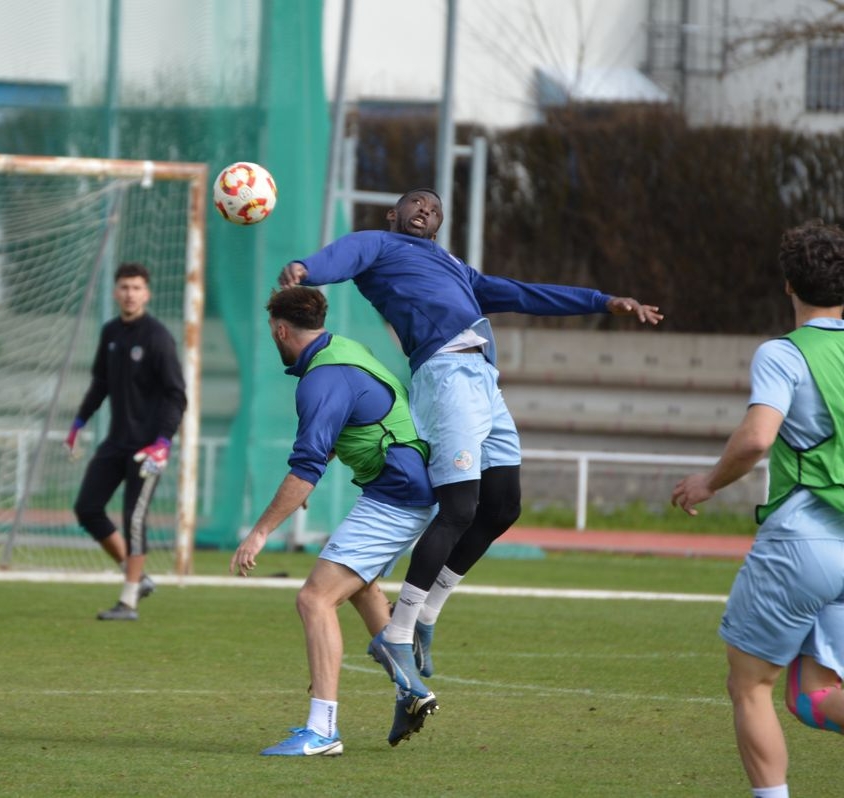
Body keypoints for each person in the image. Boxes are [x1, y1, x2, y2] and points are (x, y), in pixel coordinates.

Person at [279, 188, 663, 681]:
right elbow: (345, 255)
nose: (426, 210)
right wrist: (306, 268)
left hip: (483, 381)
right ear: (392, 214)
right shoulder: (379, 244)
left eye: (435, 208)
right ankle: (397, 632)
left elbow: (525, 293)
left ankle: (427, 615)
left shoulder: (456, 269)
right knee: (459, 508)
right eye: (416, 203)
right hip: (445, 376)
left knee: (503, 506)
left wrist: (603, 301)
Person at [671, 220, 844, 798]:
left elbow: (755, 440)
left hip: (805, 540)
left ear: (789, 286)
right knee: (815, 698)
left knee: (750, 686)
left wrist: (708, 483)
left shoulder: (783, 354)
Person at [230, 286, 441, 755]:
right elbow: (349, 419)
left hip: (398, 494)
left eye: (273, 331)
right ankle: (410, 687)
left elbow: (305, 467)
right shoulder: (345, 348)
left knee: (313, 599)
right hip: (406, 486)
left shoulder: (321, 379)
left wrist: (261, 531)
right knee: (357, 584)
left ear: (280, 330)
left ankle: (323, 729)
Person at [66, 262, 187, 621]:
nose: (130, 293)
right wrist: (78, 423)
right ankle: (138, 576)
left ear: (147, 293)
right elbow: (100, 384)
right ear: (116, 292)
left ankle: (128, 601)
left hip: (148, 449)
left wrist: (163, 441)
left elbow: (176, 395)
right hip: (115, 442)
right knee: (87, 508)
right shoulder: (110, 333)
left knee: (134, 519)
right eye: (124, 287)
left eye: (136, 287)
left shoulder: (158, 337)